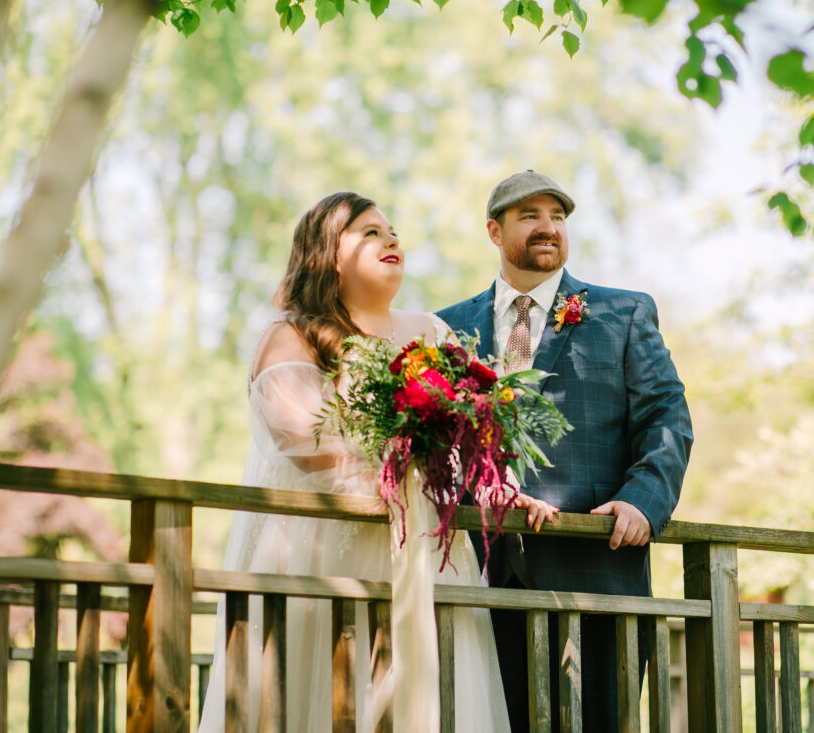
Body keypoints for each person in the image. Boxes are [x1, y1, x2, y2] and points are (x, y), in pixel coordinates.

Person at [199, 191, 551, 732]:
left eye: (393, 231)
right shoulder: (291, 338)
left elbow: (469, 438)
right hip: (323, 558)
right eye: (370, 232)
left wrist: (494, 483)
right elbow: (305, 447)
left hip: (428, 552)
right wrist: (407, 458)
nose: (392, 239)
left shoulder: (432, 333)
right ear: (328, 255)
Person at [436, 170, 693, 733]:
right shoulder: (448, 329)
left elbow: (666, 418)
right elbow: (440, 445)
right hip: (480, 578)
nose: (548, 228)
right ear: (493, 231)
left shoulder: (623, 313)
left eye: (557, 217)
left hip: (596, 572)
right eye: (529, 216)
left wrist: (643, 502)